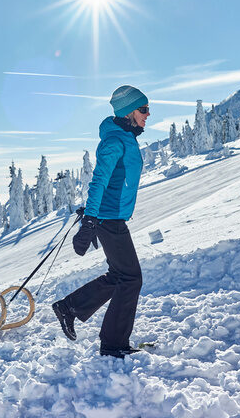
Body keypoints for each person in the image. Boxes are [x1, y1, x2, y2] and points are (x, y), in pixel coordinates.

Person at [52, 85, 150, 359]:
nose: (148, 114)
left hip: (112, 217)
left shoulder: (125, 137)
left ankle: (71, 308)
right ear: (128, 112)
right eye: (143, 109)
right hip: (107, 219)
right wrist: (91, 220)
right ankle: (113, 343)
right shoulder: (114, 141)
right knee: (131, 278)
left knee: (121, 275)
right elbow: (98, 183)